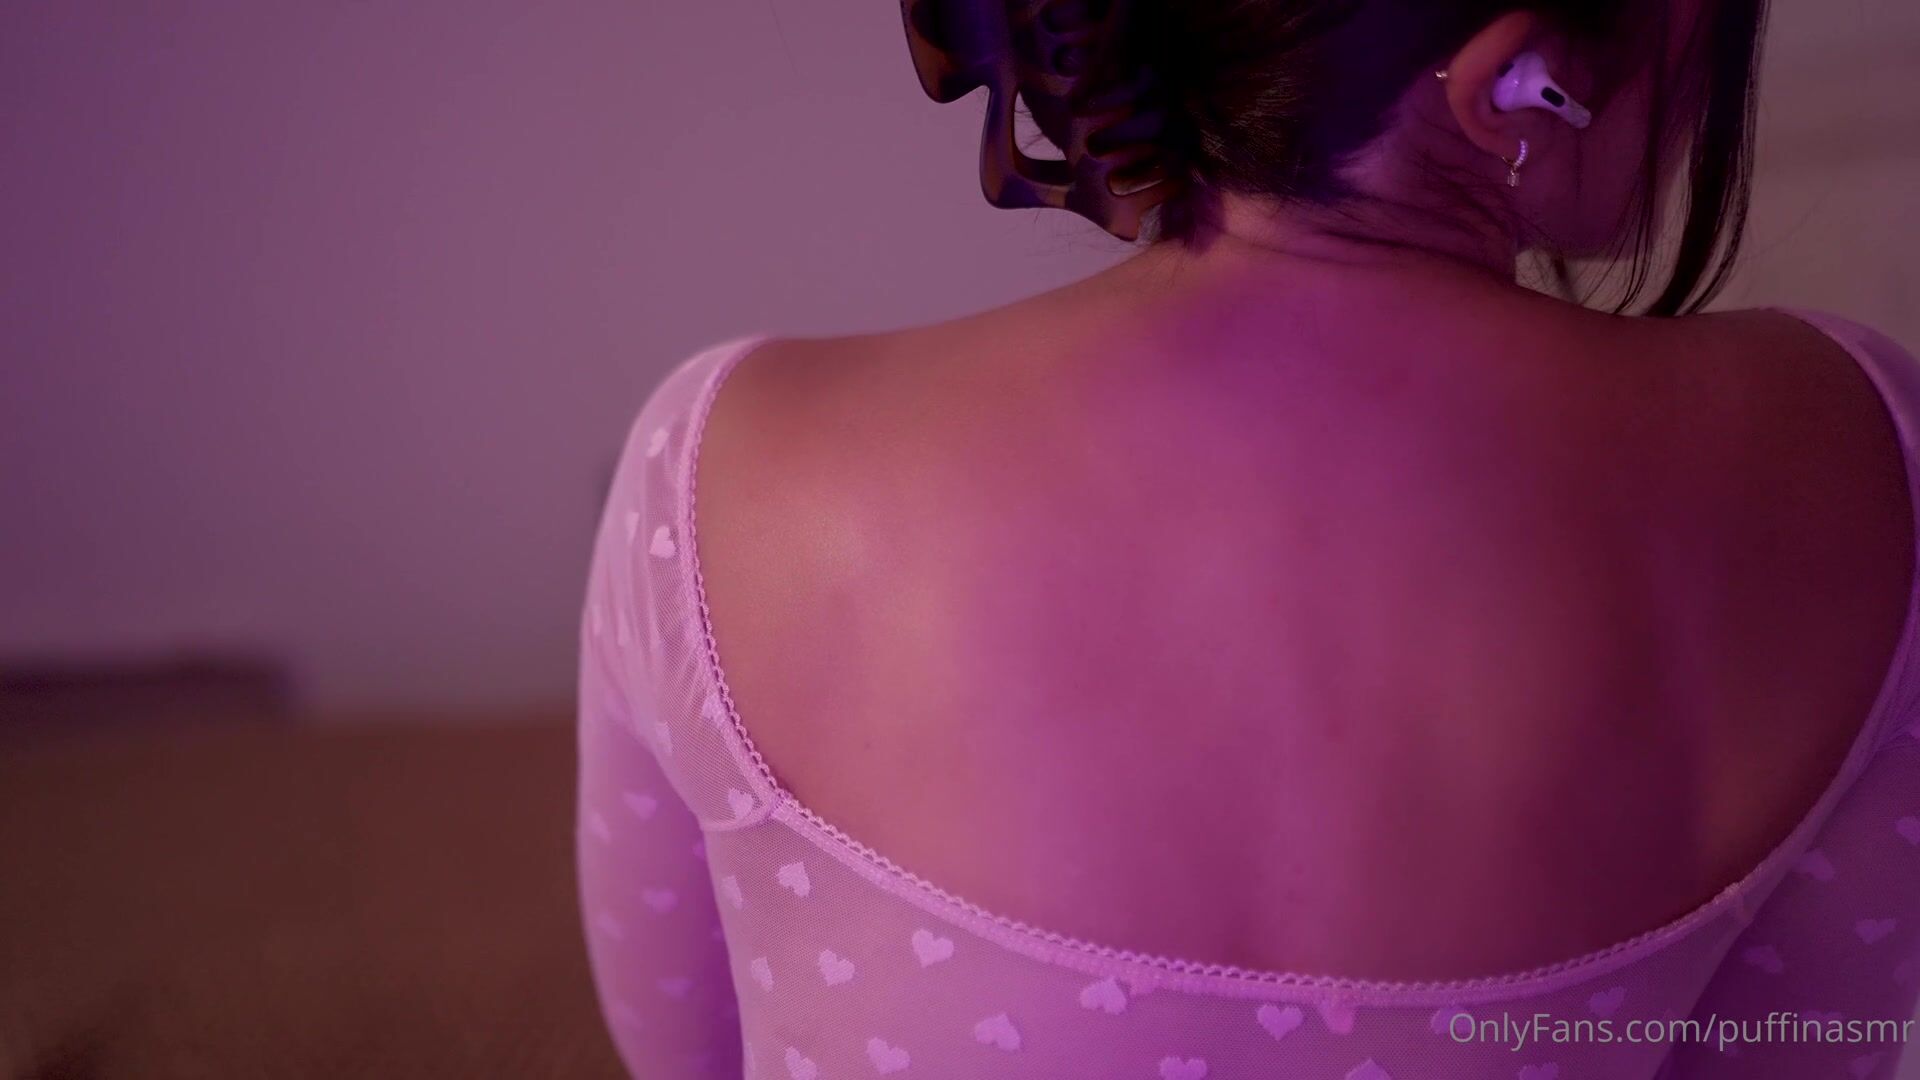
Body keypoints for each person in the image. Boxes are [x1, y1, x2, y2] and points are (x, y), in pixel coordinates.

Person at [577, 1, 1920, 1075]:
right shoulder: (1858, 451)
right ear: (1514, 78)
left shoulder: (720, 460)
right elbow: (1819, 1045)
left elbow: (682, 1049)